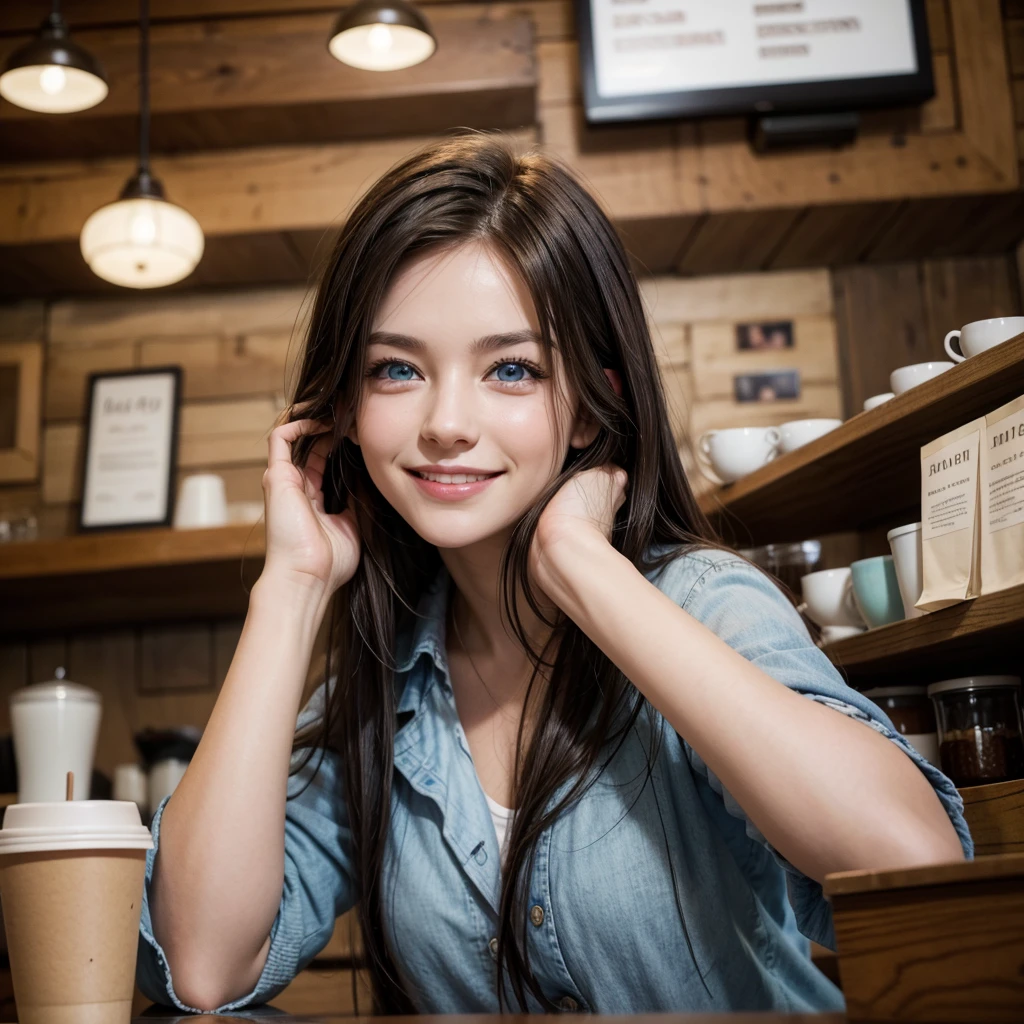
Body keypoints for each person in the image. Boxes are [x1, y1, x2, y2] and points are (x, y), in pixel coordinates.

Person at [135, 130, 971, 1016]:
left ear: (588, 407)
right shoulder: (375, 696)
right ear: (342, 409)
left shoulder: (698, 602)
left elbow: (913, 865)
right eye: (396, 369)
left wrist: (582, 566)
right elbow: (201, 964)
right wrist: (293, 587)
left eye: (511, 369)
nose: (446, 422)